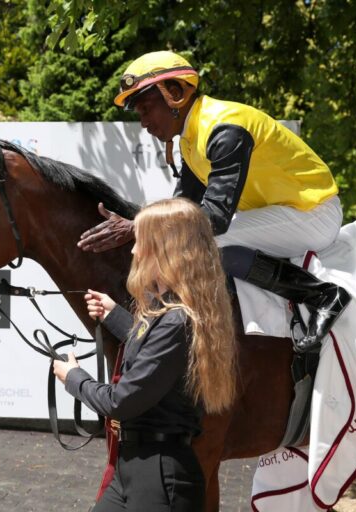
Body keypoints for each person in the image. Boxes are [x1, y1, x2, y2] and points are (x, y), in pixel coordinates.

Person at [78, 50, 350, 351]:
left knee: (204, 242)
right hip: (283, 214)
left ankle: (323, 296)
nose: (143, 123)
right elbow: (182, 208)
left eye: (145, 109)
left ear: (176, 94)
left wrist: (138, 227)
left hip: (314, 214)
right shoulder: (192, 139)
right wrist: (138, 226)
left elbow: (214, 220)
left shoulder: (224, 128)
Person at [54, 198, 238, 511]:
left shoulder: (177, 320)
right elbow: (155, 350)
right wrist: (114, 315)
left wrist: (74, 378)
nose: (133, 251)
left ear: (166, 249)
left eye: (141, 242)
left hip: (160, 477)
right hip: (138, 469)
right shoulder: (173, 313)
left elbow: (120, 402)